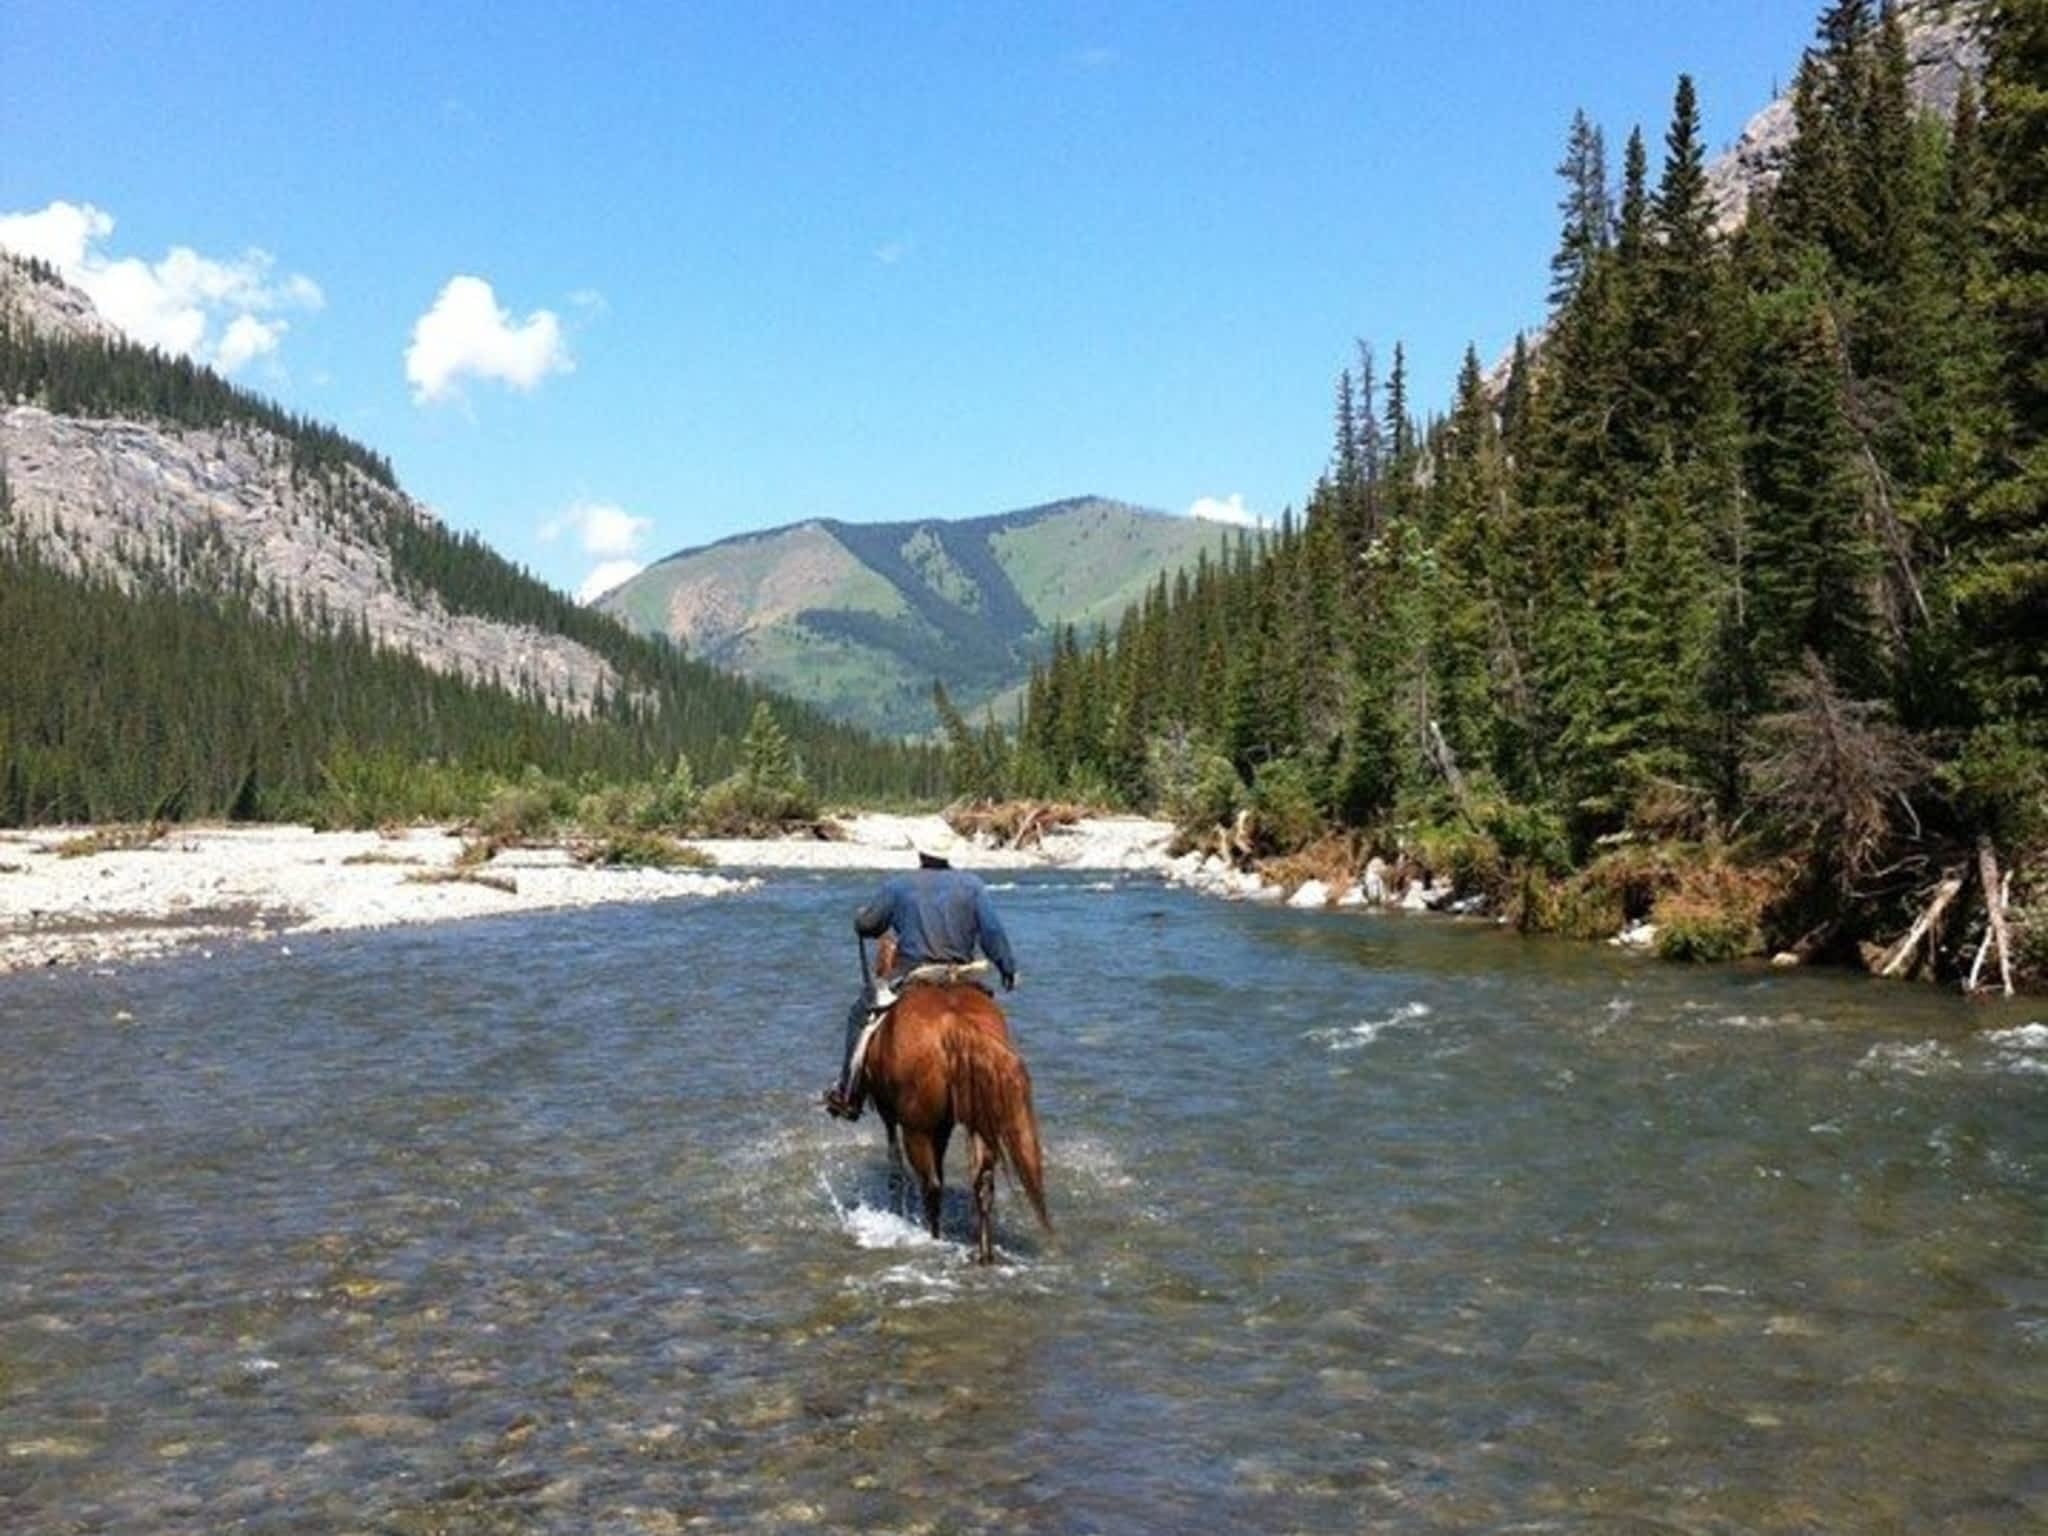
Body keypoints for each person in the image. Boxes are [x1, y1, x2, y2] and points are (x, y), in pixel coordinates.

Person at [822, 848, 1018, 1120]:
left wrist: (860, 919)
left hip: (913, 972)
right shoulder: (973, 885)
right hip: (960, 973)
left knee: (859, 1014)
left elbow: (870, 925)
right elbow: (992, 932)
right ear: (948, 853)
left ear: (921, 853)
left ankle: (847, 1093)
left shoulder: (899, 885)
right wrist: (1007, 966)